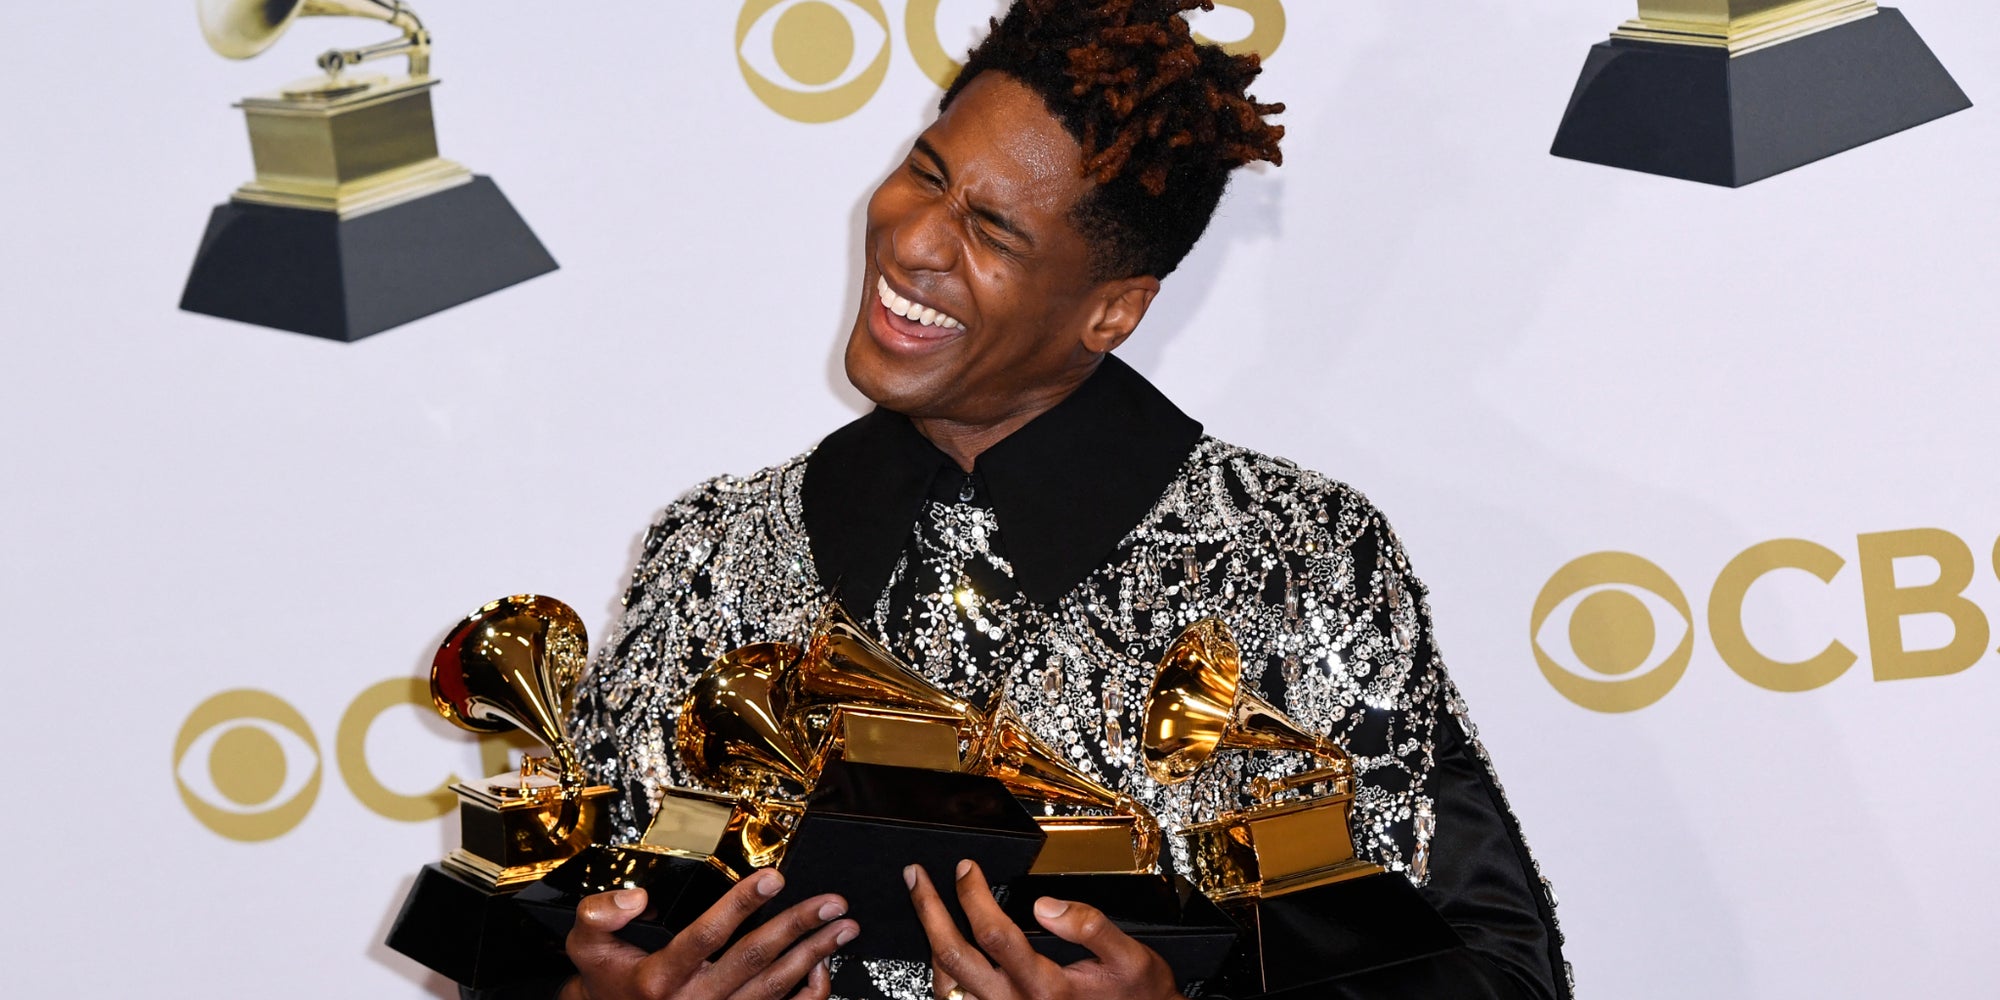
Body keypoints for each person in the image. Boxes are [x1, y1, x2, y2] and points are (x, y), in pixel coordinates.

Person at [549, 3, 1570, 999]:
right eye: (925, 173)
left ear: (1112, 309)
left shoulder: (1292, 557)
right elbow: (562, 927)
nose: (914, 244)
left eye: (991, 230)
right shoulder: (711, 547)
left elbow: (1502, 976)